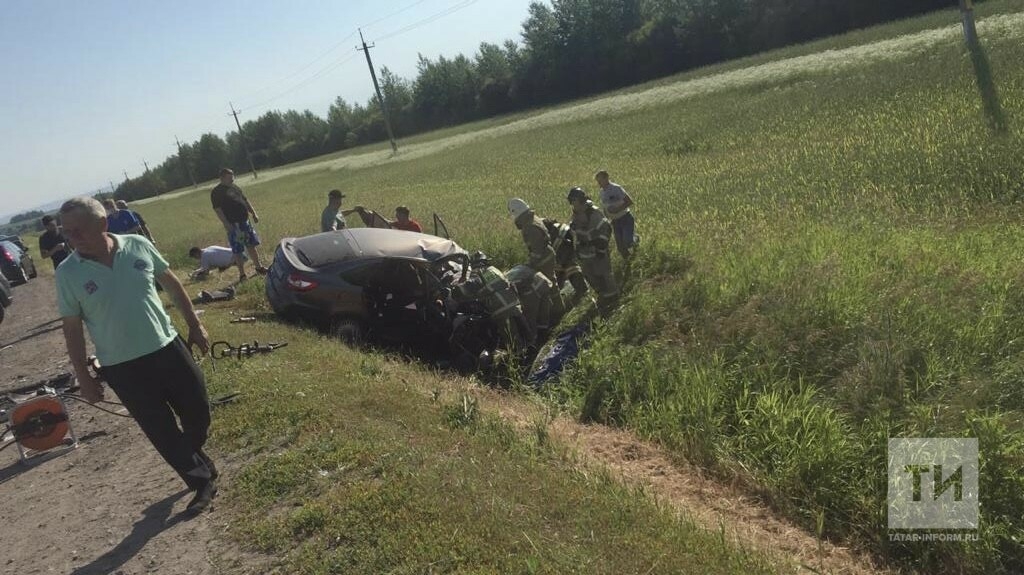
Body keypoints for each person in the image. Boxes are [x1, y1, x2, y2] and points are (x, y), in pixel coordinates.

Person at [55, 197, 217, 515]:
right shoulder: (68, 273)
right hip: (122, 366)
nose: (72, 239)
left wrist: (195, 325)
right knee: (160, 429)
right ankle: (200, 482)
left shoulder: (138, 245)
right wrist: (84, 377)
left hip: (167, 346)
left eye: (78, 230)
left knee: (198, 411)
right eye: (67, 232)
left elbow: (171, 284)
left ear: (102, 224)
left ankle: (193, 454)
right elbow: (72, 330)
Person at [210, 168, 267, 281]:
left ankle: (259, 267)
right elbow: (218, 210)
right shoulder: (216, 192)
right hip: (234, 225)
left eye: (233, 177)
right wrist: (226, 224)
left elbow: (245, 201)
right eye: (229, 177)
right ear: (222, 178)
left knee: (251, 245)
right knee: (238, 250)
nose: (232, 179)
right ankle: (242, 274)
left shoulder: (235, 187)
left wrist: (254, 213)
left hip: (245, 222)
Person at [567, 187, 619, 313]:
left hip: (597, 250)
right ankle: (603, 297)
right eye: (571, 201)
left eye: (573, 200)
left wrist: (601, 248)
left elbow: (606, 229)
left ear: (580, 200)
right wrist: (577, 248)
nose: (572, 204)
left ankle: (613, 300)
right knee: (589, 275)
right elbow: (577, 233)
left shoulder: (593, 213)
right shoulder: (576, 214)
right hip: (585, 252)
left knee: (604, 275)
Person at [594, 170, 638, 259]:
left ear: (606, 178)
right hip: (615, 222)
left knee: (628, 242)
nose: (599, 183)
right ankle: (630, 262)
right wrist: (606, 220)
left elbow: (629, 201)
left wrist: (617, 209)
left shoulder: (616, 188)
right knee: (621, 248)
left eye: (600, 180)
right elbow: (605, 208)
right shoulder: (602, 192)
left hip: (625, 218)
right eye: (597, 181)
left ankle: (636, 239)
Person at [506, 264, 555, 343]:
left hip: (532, 287)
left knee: (530, 316)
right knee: (544, 308)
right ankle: (546, 329)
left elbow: (516, 294)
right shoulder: (516, 269)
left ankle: (534, 340)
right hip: (542, 281)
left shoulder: (508, 279)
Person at [542, 217, 587, 297]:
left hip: (564, 244)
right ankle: (580, 290)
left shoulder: (538, 229)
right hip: (565, 243)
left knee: (567, 267)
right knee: (566, 267)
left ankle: (581, 290)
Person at [353, 205, 423, 232]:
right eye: (397, 215)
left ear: (405, 215)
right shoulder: (397, 224)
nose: (397, 217)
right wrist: (366, 213)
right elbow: (385, 222)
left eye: (399, 215)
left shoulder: (414, 227)